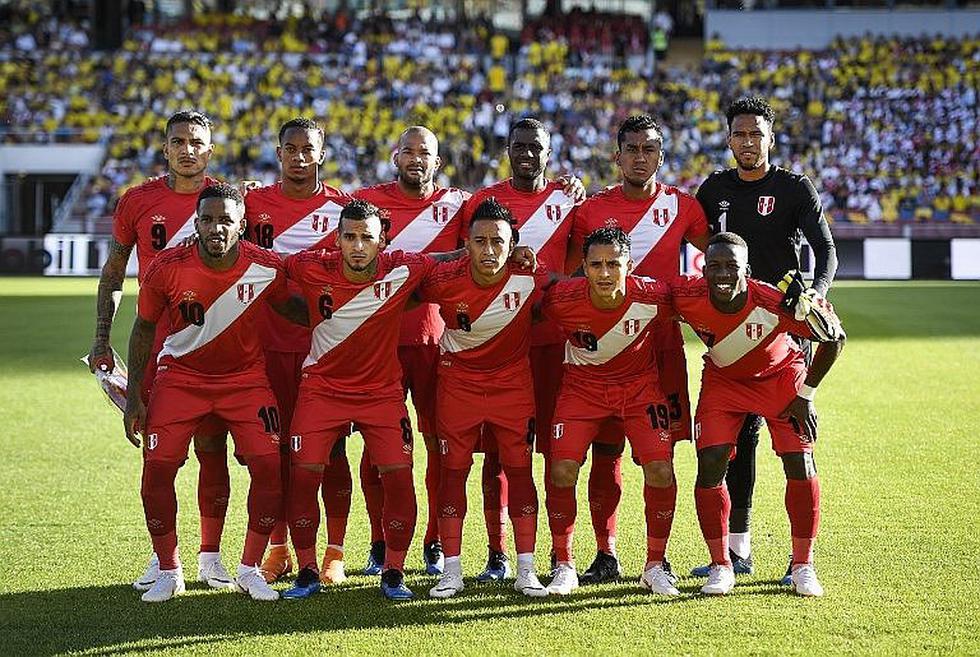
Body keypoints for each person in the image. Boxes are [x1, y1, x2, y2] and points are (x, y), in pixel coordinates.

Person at [123, 183, 308, 602]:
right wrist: (135, 395)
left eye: (226, 219)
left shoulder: (265, 265)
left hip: (245, 380)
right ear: (196, 222)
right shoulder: (167, 266)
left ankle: (249, 568)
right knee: (157, 469)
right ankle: (170, 569)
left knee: (267, 465)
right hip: (181, 378)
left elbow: (292, 308)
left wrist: (349, 314)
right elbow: (144, 328)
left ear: (243, 223)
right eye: (207, 219)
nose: (216, 228)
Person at [87, 110, 235, 592]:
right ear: (165, 147)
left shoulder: (229, 202)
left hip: (212, 341)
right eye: (178, 141)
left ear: (210, 149)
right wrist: (101, 337)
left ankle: (210, 557)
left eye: (197, 141)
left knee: (213, 449)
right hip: (155, 344)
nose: (187, 149)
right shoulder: (137, 201)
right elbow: (113, 274)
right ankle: (163, 558)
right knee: (159, 456)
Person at [693, 96, 838, 580]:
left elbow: (826, 250)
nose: (748, 142)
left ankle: (799, 561)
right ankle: (738, 548)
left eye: (756, 134)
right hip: (734, 326)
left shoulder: (794, 188)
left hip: (785, 326)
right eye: (740, 134)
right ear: (728, 138)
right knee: (737, 441)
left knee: (791, 437)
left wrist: (813, 296)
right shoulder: (714, 190)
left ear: (770, 138)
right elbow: (687, 241)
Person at [568, 114, 710, 584]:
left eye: (649, 149)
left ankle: (657, 558)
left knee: (659, 457)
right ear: (617, 155)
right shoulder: (589, 211)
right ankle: (605, 554)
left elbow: (723, 261)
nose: (639, 156)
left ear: (660, 156)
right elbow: (571, 274)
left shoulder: (685, 208)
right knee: (605, 451)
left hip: (661, 348)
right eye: (631, 148)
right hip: (604, 350)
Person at [667, 232, 845, 596]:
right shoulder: (686, 296)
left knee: (800, 462)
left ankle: (802, 566)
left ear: (746, 270)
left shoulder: (775, 301)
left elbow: (834, 338)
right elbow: (644, 295)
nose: (721, 274)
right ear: (702, 269)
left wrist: (805, 395)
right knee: (711, 461)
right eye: (713, 266)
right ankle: (721, 565)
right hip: (724, 380)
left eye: (731, 266)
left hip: (780, 377)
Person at [459, 117, 583, 582]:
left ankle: (560, 554)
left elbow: (582, 260)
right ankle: (497, 552)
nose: (528, 154)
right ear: (508, 149)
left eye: (537, 147)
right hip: (498, 340)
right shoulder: (482, 204)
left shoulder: (570, 199)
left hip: (552, 342)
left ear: (550, 152)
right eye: (520, 146)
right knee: (498, 454)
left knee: (555, 451)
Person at [353, 126, 471, 578]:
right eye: (408, 151)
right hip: (376, 343)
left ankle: (435, 543)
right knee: (376, 451)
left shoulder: (458, 204)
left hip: (434, 342)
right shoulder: (365, 200)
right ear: (394, 156)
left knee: (439, 447)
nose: (416, 158)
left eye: (425, 152)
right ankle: (379, 543)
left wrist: (568, 185)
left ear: (437, 162)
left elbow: (495, 230)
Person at [418, 198, 550, 599]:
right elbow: (403, 280)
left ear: (514, 245)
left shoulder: (531, 276)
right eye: (479, 241)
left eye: (498, 241)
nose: (489, 250)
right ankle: (452, 571)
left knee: (520, 471)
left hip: (513, 387)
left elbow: (567, 295)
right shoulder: (444, 278)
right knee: (452, 472)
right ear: (466, 243)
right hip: (458, 386)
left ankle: (526, 570)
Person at [540, 227, 681, 597]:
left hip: (640, 390)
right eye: (596, 265)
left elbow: (701, 303)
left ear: (629, 265)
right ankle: (564, 564)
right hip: (581, 390)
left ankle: (655, 564)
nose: (605, 273)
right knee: (561, 469)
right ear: (583, 268)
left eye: (613, 264)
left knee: (661, 470)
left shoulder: (655, 296)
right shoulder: (561, 299)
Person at [245, 118, 354, 586]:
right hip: (265, 346)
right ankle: (278, 548)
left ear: (321, 153)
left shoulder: (345, 208)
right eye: (290, 148)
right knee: (273, 454)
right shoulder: (251, 204)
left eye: (307, 148)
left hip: (324, 350)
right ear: (278, 152)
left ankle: (334, 551)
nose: (299, 156)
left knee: (329, 453)